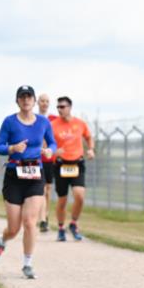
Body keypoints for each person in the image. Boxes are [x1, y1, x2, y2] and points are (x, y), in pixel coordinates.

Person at [0, 85, 55, 279]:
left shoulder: (43, 122)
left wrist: (50, 150)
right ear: (17, 101)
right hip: (14, 176)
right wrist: (13, 148)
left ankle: (27, 263)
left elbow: (52, 142)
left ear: (34, 101)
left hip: (35, 174)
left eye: (29, 97)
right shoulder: (9, 122)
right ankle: (2, 241)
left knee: (30, 222)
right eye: (22, 97)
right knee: (14, 228)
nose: (26, 100)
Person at [51, 96, 95, 241]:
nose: (60, 109)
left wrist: (91, 149)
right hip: (61, 164)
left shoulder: (80, 124)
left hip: (77, 163)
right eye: (58, 107)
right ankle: (61, 228)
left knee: (80, 196)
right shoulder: (53, 125)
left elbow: (89, 137)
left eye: (62, 107)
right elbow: (46, 144)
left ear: (70, 107)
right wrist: (53, 151)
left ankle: (74, 223)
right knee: (62, 200)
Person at [36, 93, 55, 233]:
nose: (44, 103)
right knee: (40, 189)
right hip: (36, 159)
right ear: (38, 102)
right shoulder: (33, 118)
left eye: (47, 101)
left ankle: (45, 215)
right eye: (42, 101)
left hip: (49, 159)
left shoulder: (54, 119)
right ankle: (41, 219)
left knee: (48, 190)